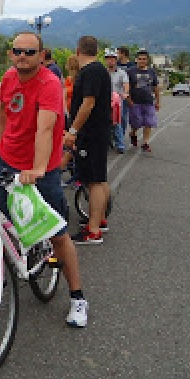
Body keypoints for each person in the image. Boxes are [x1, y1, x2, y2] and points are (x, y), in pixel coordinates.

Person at [0, 32, 89, 327]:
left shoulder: (49, 83)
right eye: (17, 51)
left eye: (29, 52)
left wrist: (37, 168)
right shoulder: (9, 78)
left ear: (41, 54)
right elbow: (1, 109)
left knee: (57, 234)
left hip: (40, 169)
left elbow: (45, 129)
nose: (22, 56)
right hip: (7, 160)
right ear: (11, 54)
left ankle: (78, 298)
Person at [64, 36, 113, 245]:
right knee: (100, 179)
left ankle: (93, 230)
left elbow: (88, 103)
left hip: (91, 133)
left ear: (77, 50)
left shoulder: (91, 71)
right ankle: (99, 220)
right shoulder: (100, 69)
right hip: (100, 132)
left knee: (93, 181)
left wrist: (73, 130)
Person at [126, 50, 160, 152]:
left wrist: (158, 101)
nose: (142, 61)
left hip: (148, 101)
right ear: (136, 60)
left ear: (147, 60)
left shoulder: (152, 72)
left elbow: (155, 87)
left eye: (144, 59)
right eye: (140, 59)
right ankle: (132, 133)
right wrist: (129, 100)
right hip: (135, 102)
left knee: (148, 123)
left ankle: (145, 143)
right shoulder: (130, 72)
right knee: (136, 123)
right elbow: (126, 87)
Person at [104, 49, 129, 153]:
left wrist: (125, 92)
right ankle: (107, 142)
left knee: (118, 121)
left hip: (118, 101)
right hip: (105, 100)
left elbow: (126, 84)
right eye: (108, 59)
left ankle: (120, 144)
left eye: (112, 59)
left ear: (116, 60)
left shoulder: (121, 73)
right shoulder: (103, 72)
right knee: (105, 122)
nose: (110, 61)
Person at [116, 46, 135, 143]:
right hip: (116, 94)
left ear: (123, 53)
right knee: (115, 117)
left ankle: (122, 136)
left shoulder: (132, 65)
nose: (117, 55)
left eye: (118, 53)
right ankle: (116, 137)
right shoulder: (116, 64)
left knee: (123, 117)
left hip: (127, 95)